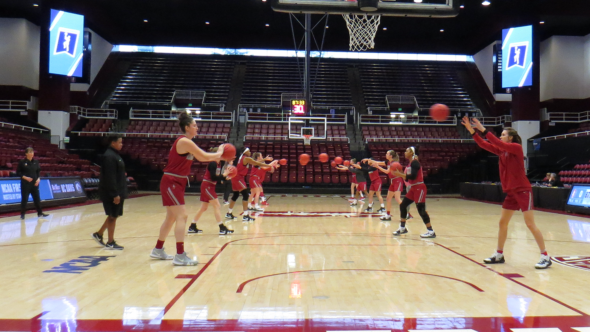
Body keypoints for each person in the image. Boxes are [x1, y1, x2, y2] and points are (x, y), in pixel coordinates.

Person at [461, 116, 551, 269]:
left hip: (523, 190)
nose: (501, 136)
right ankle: (499, 254)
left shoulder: (516, 147)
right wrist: (472, 132)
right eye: (501, 134)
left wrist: (483, 129)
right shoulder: (503, 152)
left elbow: (496, 142)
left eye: (503, 134)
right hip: (511, 192)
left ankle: (545, 256)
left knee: (529, 224)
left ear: (510, 137)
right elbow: (484, 144)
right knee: (502, 222)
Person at [150, 112, 225, 266]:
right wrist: (220, 152)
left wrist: (218, 156)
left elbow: (202, 158)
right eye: (194, 125)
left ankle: (158, 249)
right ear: (187, 127)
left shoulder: (187, 142)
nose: (197, 128)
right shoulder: (185, 141)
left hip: (176, 182)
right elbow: (204, 155)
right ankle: (180, 255)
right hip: (172, 181)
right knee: (182, 216)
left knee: (171, 218)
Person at [390, 146, 436, 238]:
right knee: (403, 205)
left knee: (421, 210)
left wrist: (400, 174)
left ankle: (431, 231)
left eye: (407, 151)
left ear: (411, 152)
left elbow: (413, 176)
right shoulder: (411, 163)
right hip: (413, 188)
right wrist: (402, 175)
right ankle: (402, 228)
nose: (405, 152)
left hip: (419, 187)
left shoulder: (415, 163)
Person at [92, 135, 127, 249]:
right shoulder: (109, 156)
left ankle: (99, 234)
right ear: (113, 143)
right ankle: (110, 242)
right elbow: (110, 177)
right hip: (111, 192)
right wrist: (115, 194)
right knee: (112, 216)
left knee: (114, 215)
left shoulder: (115, 155)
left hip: (117, 190)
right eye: (120, 142)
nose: (122, 144)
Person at [188, 147, 234, 235]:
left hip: (210, 186)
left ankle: (192, 226)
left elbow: (217, 178)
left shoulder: (219, 163)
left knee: (203, 208)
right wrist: (224, 174)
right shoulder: (213, 163)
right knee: (217, 205)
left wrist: (225, 177)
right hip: (207, 185)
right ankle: (222, 228)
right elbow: (213, 177)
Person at [226, 148, 272, 223]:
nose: (250, 152)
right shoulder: (246, 158)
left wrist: (264, 159)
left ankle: (229, 213)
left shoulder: (243, 158)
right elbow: (257, 163)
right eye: (249, 151)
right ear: (245, 152)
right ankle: (245, 215)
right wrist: (268, 164)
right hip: (238, 178)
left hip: (236, 177)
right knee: (245, 195)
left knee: (235, 195)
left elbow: (255, 162)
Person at [370, 150, 413, 221]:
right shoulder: (388, 162)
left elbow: (387, 172)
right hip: (393, 181)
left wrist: (378, 167)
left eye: (387, 153)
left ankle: (407, 213)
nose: (386, 154)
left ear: (391, 156)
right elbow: (378, 162)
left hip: (398, 180)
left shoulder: (394, 163)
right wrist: (369, 160)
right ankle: (388, 215)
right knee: (388, 198)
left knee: (397, 198)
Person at [17, 147, 49, 220]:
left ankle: (40, 213)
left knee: (37, 199)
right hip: (25, 184)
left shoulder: (36, 162)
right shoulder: (22, 162)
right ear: (26, 154)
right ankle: (22, 214)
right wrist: (25, 178)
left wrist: (38, 179)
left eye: (32, 152)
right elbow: (18, 173)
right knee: (25, 199)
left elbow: (38, 172)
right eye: (30, 152)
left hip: (34, 184)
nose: (32, 154)